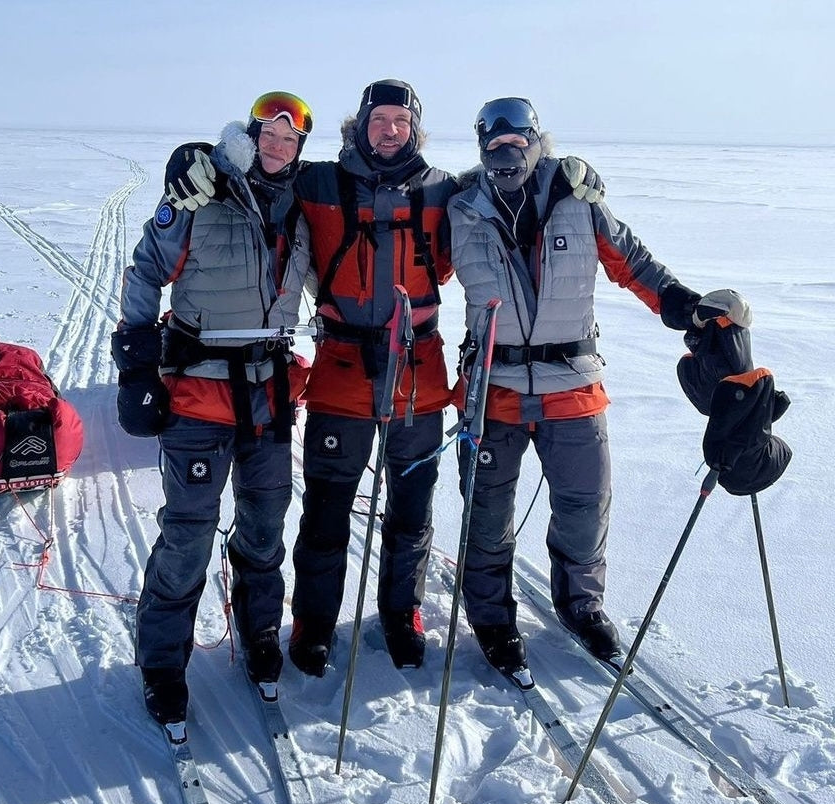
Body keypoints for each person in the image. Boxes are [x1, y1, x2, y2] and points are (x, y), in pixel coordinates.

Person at [164, 80, 605, 678]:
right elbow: (260, 169)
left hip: (418, 374)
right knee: (326, 509)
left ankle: (403, 615)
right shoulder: (318, 182)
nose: (390, 129)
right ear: (360, 125)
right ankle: (315, 624)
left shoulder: (444, 191)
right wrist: (197, 154)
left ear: (414, 128)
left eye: (401, 120)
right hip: (341, 375)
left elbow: (513, 180)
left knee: (411, 509)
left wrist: (564, 168)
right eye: (379, 119)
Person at [446, 96, 752, 671]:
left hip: (573, 387)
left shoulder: (577, 200)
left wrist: (688, 308)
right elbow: (411, 263)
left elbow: (633, 263)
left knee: (586, 507)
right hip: (494, 391)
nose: (506, 151)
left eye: (518, 141)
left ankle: (581, 605)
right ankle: (489, 615)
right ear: (481, 147)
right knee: (485, 513)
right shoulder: (459, 209)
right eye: (494, 143)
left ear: (537, 141)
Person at [111, 91, 315, 729]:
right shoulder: (200, 191)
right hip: (199, 393)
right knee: (189, 532)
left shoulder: (305, 207)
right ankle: (163, 663)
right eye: (269, 136)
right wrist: (138, 364)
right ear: (250, 136)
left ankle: (258, 636)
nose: (279, 148)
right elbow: (145, 271)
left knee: (264, 526)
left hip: (270, 393)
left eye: (291, 141)